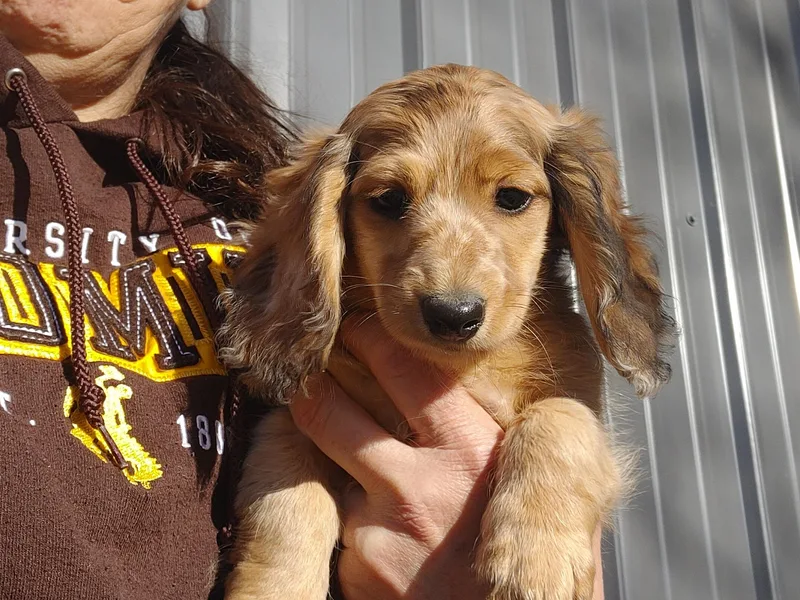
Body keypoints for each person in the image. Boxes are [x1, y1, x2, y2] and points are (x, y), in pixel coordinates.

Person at [0, 1, 604, 599]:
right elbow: (298, 429)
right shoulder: (316, 271)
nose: (451, 283)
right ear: (330, 215)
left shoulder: (237, 181)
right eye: (390, 201)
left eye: (512, 198)